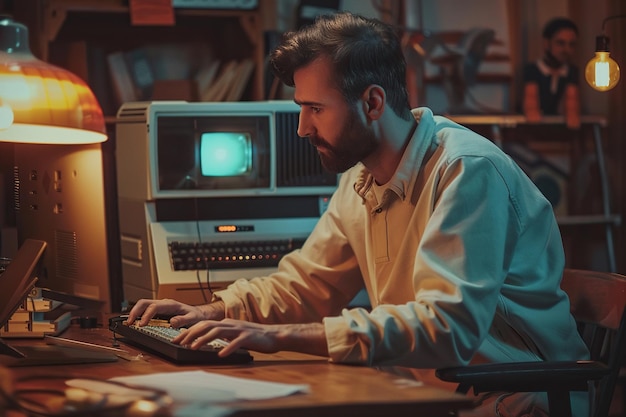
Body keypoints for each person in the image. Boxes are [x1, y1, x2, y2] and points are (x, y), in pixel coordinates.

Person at [129, 12, 589, 417]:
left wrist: (276, 337)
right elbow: (309, 285)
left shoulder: (467, 171)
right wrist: (215, 310)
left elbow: (446, 328)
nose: (302, 128)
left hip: (514, 399)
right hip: (428, 390)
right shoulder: (362, 176)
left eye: (315, 109)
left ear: (372, 103)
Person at [521, 17, 581, 129]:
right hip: (531, 135)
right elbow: (531, 107)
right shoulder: (532, 70)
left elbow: (571, 107)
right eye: (560, 43)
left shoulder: (572, 72)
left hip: (561, 136)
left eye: (571, 44)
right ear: (546, 43)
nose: (566, 50)